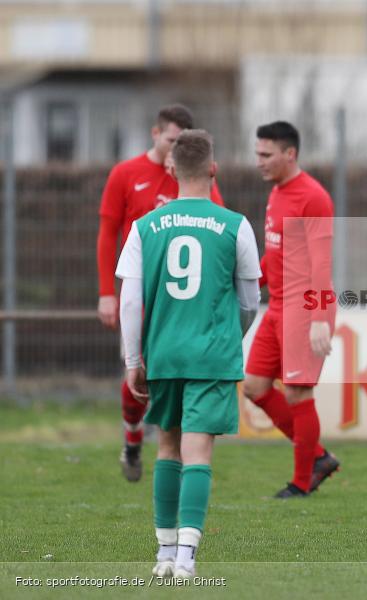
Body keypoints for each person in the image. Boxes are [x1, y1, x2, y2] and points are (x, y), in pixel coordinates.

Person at [116, 129, 261, 578]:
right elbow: (250, 300)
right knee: (199, 452)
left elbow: (129, 302)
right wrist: (226, 337)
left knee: (167, 446)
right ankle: (186, 558)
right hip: (212, 353)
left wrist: (133, 361)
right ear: (213, 170)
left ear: (172, 170)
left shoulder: (144, 227)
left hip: (165, 353)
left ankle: (162, 554)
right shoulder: (235, 225)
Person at [97, 104, 225, 482]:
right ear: (156, 134)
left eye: (182, 143)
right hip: (142, 292)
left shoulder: (195, 177)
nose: (175, 150)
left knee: (172, 374)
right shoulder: (126, 173)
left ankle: (178, 445)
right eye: (171, 140)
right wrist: (108, 292)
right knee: (135, 371)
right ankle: (134, 438)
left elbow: (219, 229)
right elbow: (108, 235)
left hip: (185, 296)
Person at [243, 121, 340, 498]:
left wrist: (319, 317)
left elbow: (320, 263)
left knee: (299, 394)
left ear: (290, 154)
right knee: (253, 386)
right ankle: (317, 456)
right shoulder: (277, 193)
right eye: (257, 154)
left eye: (266, 155)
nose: (259, 162)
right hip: (278, 305)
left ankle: (301, 483)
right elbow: (276, 256)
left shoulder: (312, 197)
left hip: (304, 306)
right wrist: (249, 286)